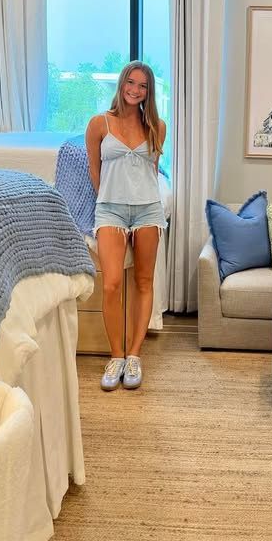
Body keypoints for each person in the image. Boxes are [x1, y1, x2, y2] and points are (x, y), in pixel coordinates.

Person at [85, 61, 167, 392]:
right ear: (121, 84)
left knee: (144, 282)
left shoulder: (157, 127)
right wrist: (109, 201)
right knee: (111, 284)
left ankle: (134, 355)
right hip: (111, 211)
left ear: (149, 92)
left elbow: (152, 171)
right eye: (130, 83)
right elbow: (95, 171)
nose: (135, 89)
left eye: (143, 86)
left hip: (148, 209)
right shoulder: (99, 124)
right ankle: (115, 356)